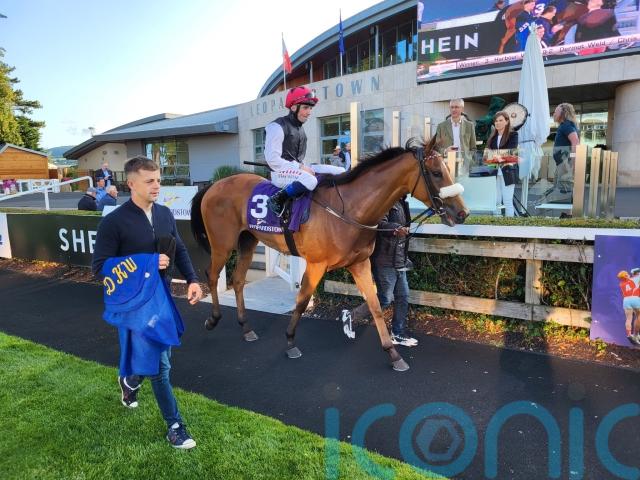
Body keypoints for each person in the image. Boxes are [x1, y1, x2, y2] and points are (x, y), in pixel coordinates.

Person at [92, 155, 203, 449]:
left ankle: (130, 381)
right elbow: (99, 267)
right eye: (150, 181)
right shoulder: (113, 221)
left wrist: (192, 279)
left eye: (159, 180)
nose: (157, 186)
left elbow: (179, 248)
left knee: (162, 354)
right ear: (131, 184)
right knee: (161, 366)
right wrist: (148, 262)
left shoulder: (165, 214)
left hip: (162, 296)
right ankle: (175, 427)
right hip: (135, 304)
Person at [341, 197, 418, 347]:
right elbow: (379, 224)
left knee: (403, 297)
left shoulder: (403, 203)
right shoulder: (386, 200)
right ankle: (350, 316)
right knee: (385, 298)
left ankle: (398, 334)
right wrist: (396, 229)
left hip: (400, 260)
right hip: (384, 260)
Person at [265, 86, 345, 216]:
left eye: (310, 108)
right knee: (310, 180)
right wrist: (300, 167)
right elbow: (272, 160)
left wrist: (302, 167)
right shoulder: (276, 127)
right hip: (279, 173)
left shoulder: (300, 128)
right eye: (305, 108)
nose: (309, 112)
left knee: (340, 171)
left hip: (296, 169)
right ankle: (277, 199)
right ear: (293, 108)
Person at [485, 111, 519, 217]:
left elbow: (511, 153)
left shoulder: (513, 135)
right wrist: (497, 156)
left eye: (500, 120)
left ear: (507, 121)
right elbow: (486, 155)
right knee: (496, 201)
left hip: (508, 171)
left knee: (507, 200)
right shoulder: (492, 137)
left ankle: (509, 225)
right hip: (495, 171)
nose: (498, 123)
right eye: (496, 121)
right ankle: (496, 222)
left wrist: (494, 156)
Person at [552, 103, 580, 193]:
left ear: (564, 112)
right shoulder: (565, 125)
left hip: (565, 164)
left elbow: (575, 142)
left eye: (556, 111)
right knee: (559, 191)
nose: (554, 114)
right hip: (562, 163)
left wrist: (573, 160)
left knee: (564, 192)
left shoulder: (566, 125)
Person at [617, 271, 640, 346]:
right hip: (635, 298)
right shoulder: (633, 279)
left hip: (626, 300)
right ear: (626, 276)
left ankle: (629, 334)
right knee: (638, 316)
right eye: (627, 274)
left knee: (628, 319)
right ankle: (636, 335)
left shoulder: (621, 284)